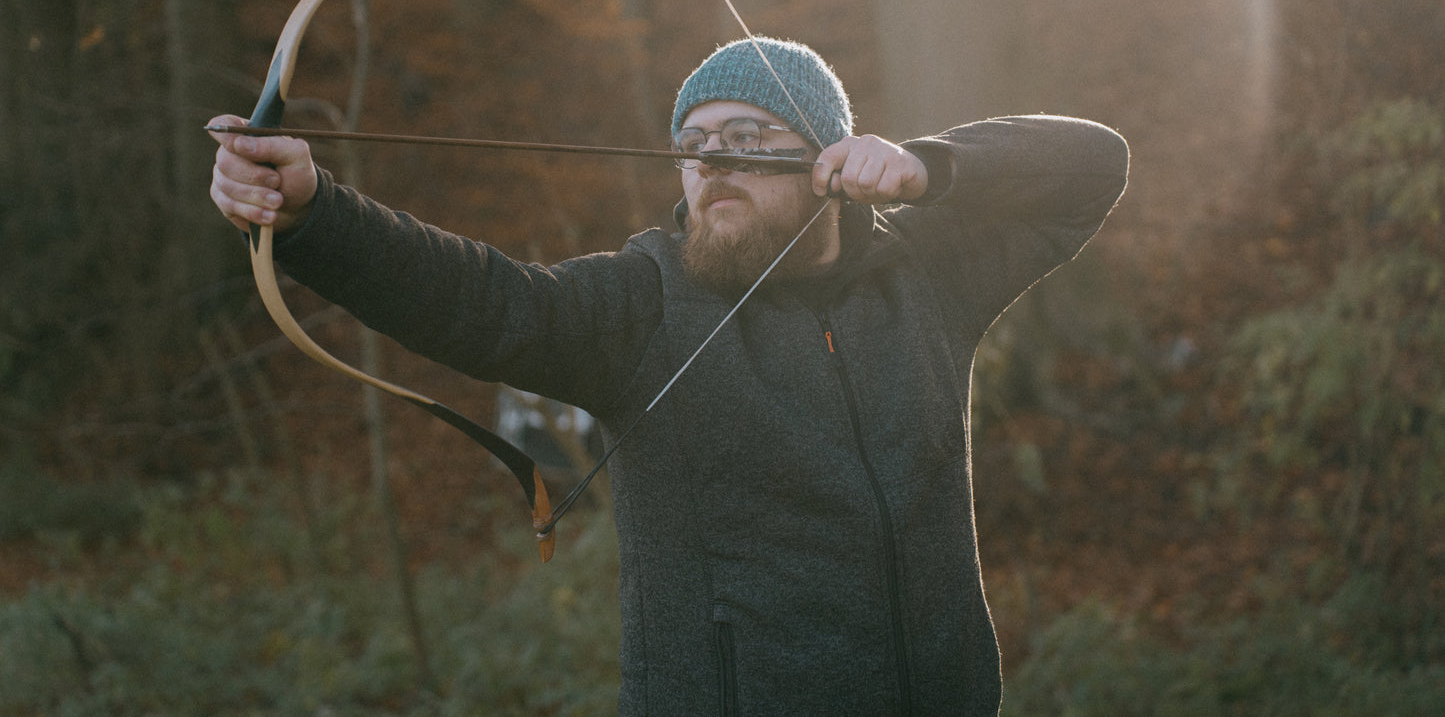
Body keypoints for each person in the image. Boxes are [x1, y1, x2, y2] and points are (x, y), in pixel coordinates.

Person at [209, 36, 1129, 716]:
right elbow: (484, 302)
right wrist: (313, 214)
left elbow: (1093, 165)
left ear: (830, 162)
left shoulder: (924, 276)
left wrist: (932, 166)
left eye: (745, 133)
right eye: (690, 143)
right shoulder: (645, 302)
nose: (706, 160)